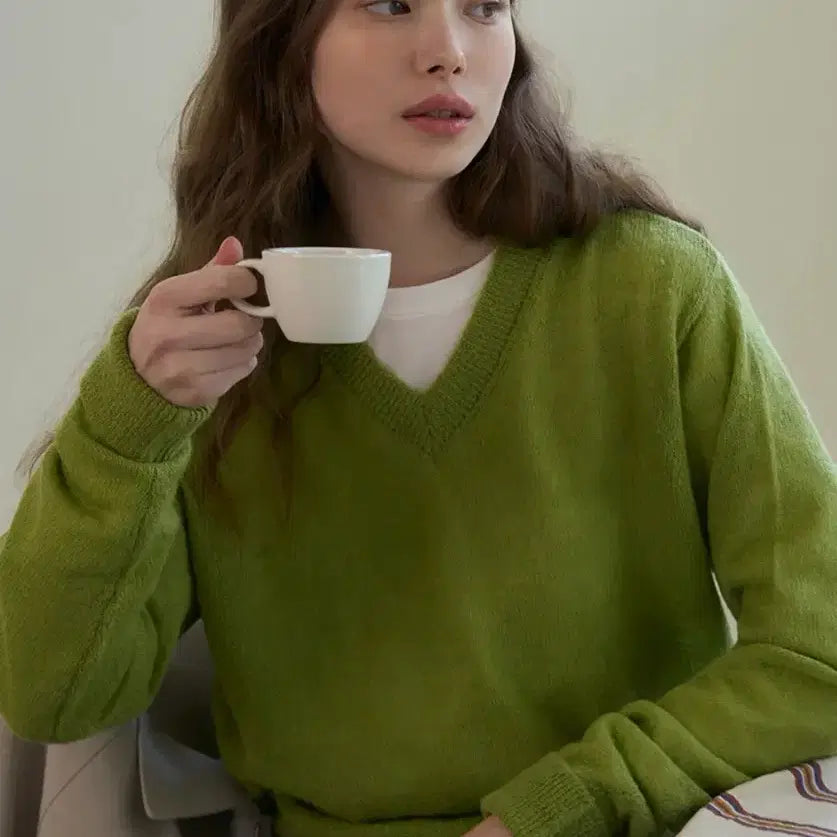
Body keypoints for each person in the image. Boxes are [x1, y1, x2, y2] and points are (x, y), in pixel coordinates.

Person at [1, 0, 836, 835]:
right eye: (391, 4)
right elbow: (50, 696)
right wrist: (130, 422)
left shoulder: (655, 288)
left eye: (483, 7)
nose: (448, 52)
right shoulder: (199, 351)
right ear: (281, 38)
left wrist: (563, 808)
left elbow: (819, 648)